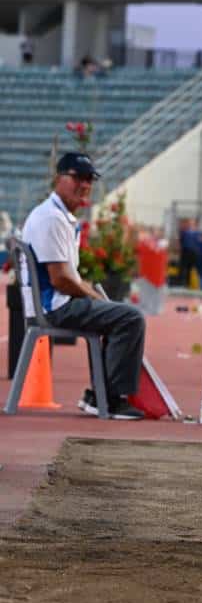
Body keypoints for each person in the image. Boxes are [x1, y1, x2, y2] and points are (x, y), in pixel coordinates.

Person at [21, 152, 145, 419]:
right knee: (130, 318)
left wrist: (94, 296)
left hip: (54, 302)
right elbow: (61, 280)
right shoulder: (51, 219)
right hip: (53, 307)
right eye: (77, 177)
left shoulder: (58, 215)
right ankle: (111, 399)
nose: (85, 185)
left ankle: (99, 395)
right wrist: (96, 299)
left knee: (114, 312)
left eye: (89, 179)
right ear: (59, 178)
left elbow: (69, 276)